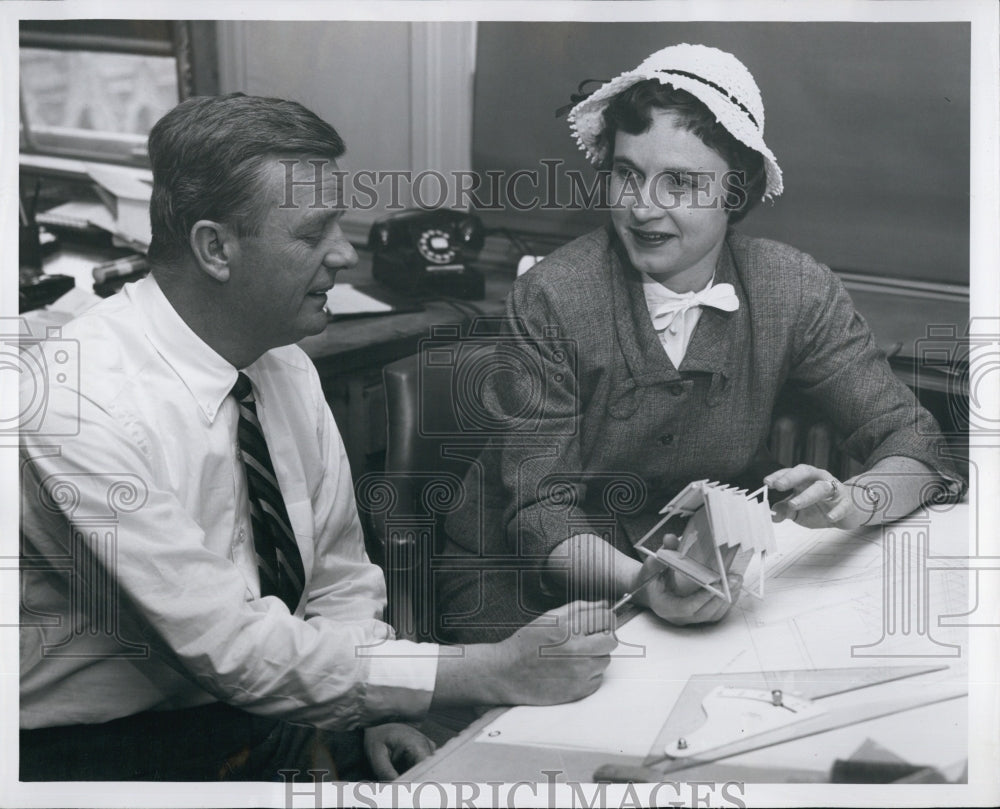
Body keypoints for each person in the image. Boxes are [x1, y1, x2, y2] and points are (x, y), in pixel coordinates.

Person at [18, 93, 617, 782]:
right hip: (105, 756)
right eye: (314, 232)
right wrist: (491, 669)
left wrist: (367, 706)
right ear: (216, 247)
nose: (345, 252)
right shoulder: (75, 401)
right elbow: (231, 647)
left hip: (269, 710)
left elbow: (337, 576)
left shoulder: (284, 362)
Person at [434, 44, 964, 644]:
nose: (642, 207)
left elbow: (916, 445)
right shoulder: (551, 297)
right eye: (627, 173)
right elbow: (538, 512)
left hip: (681, 573)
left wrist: (850, 502)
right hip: (519, 585)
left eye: (681, 183)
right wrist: (650, 583)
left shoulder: (795, 290)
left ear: (736, 194)